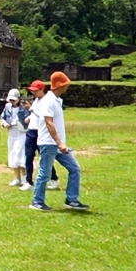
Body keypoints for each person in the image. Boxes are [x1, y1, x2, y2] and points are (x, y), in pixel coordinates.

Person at [30, 71, 89, 211]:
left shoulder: (57, 100)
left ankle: (72, 199)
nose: (67, 87)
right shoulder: (48, 101)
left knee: (75, 169)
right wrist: (59, 143)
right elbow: (49, 123)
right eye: (65, 84)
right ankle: (37, 201)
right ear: (59, 85)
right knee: (44, 173)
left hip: (58, 144)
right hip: (48, 143)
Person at [19, 80, 60, 192]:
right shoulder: (36, 101)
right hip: (31, 131)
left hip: (40, 132)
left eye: (35, 91)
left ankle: (54, 178)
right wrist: (29, 118)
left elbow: (44, 117)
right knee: (28, 157)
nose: (33, 93)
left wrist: (31, 109)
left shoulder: (47, 101)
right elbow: (35, 114)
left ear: (42, 89)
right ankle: (29, 181)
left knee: (44, 158)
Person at [0, 88, 29, 186]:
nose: (12, 102)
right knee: (12, 154)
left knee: (21, 155)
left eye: (14, 100)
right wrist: (4, 124)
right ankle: (17, 178)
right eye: (10, 100)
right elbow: (2, 118)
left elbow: (28, 119)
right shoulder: (7, 107)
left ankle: (25, 178)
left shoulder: (24, 108)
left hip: (22, 133)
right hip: (12, 133)